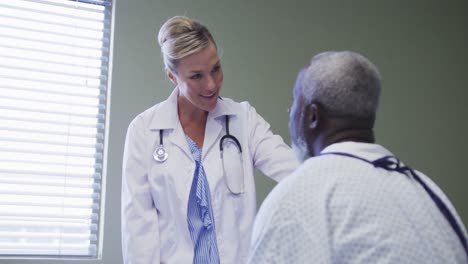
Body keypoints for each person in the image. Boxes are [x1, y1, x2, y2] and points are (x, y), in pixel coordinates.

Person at [248, 51, 468, 263]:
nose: (290, 111)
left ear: (313, 116)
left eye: (296, 101)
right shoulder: (425, 189)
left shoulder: (299, 196)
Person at [121, 15, 299, 264]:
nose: (212, 84)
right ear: (172, 77)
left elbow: (295, 170)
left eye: (215, 68)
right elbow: (138, 227)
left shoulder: (242, 119)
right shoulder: (144, 130)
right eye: (196, 76)